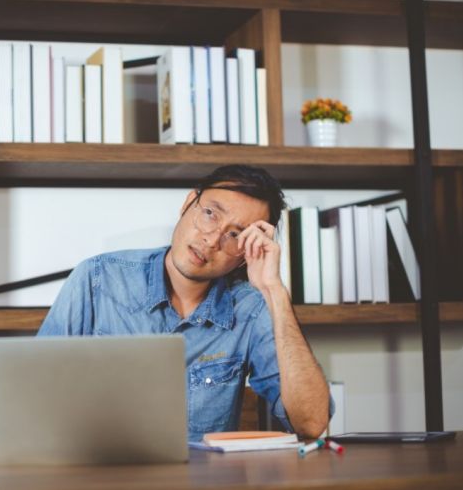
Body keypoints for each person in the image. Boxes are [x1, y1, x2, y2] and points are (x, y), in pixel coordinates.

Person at [37, 164, 332, 441]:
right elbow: (37, 396)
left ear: (247, 252)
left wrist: (275, 290)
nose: (212, 240)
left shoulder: (251, 308)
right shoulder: (97, 279)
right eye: (210, 214)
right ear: (188, 203)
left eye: (235, 235)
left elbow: (312, 423)